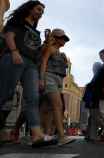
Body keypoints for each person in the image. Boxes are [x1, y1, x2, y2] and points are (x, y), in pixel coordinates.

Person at [0, 0, 56, 147]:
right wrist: (13, 51)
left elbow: (37, 52)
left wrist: (45, 44)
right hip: (14, 57)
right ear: (30, 9)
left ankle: (37, 135)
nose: (40, 13)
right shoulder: (18, 21)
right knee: (5, 93)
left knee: (33, 98)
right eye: (38, 10)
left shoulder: (35, 30)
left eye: (42, 12)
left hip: (30, 64)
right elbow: (8, 35)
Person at [39, 28, 75, 146]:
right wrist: (41, 79)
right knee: (57, 106)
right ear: (55, 38)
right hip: (49, 77)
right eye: (62, 38)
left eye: (65, 38)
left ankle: (46, 135)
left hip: (58, 80)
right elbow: (43, 62)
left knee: (48, 108)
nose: (64, 40)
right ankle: (61, 136)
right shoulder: (50, 48)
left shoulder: (60, 53)